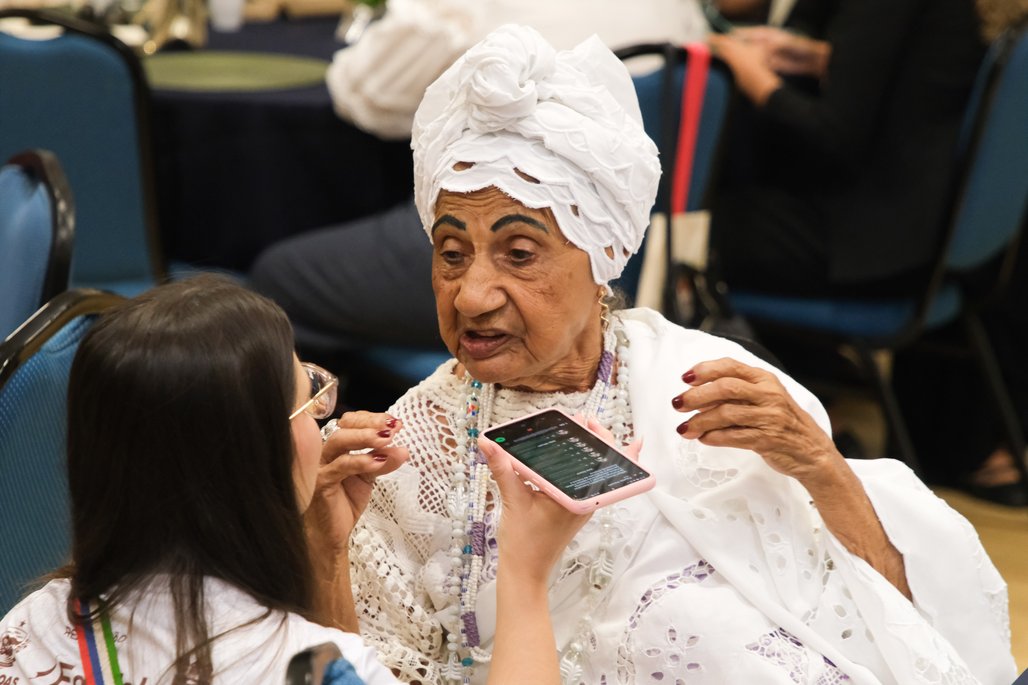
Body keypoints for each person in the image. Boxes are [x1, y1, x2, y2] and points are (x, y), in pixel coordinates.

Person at [334, 25, 1016, 684]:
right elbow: (371, 666)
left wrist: (820, 467)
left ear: (602, 258)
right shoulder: (412, 452)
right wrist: (320, 532)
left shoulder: (711, 388)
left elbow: (909, 618)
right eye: (451, 254)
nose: (473, 294)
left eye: (519, 254)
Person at [0, 275, 594, 685]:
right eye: (309, 399)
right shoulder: (308, 663)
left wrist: (326, 552)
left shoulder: (27, 630)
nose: (324, 417)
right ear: (254, 458)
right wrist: (523, 573)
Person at [249, 0, 709, 356]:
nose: (472, 298)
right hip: (653, 243)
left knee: (278, 277)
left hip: (555, 237)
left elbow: (368, 96)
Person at [705, 0, 986, 298]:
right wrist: (817, 58)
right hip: (919, 228)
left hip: (871, 244)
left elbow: (833, 137)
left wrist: (747, 72)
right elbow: (913, 71)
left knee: (685, 227)